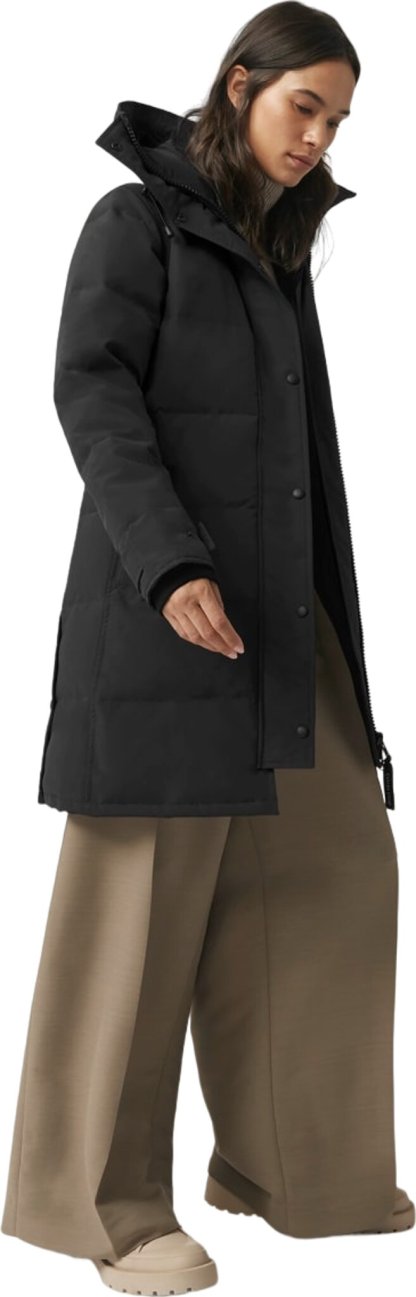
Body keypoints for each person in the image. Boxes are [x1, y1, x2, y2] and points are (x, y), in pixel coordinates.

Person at [1, 3, 414, 1294]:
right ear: (239, 86)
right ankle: (104, 1208)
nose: (320, 137)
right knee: (136, 914)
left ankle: (298, 1165)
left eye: (339, 120)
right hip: (162, 616)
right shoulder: (136, 224)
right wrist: (170, 561)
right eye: (305, 106)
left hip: (286, 624)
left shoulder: (275, 249)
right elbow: (92, 392)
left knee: (340, 872)